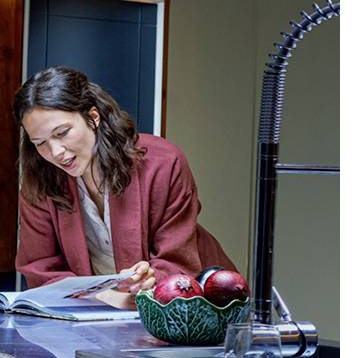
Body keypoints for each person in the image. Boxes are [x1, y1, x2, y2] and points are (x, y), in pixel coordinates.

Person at [13, 66, 235, 303]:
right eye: (40, 143)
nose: (55, 152)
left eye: (62, 133)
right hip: (98, 316)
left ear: (93, 117)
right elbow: (39, 269)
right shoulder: (40, 182)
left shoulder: (163, 163)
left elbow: (177, 258)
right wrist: (105, 297)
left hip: (197, 304)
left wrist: (149, 280)